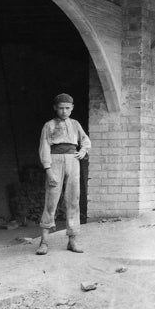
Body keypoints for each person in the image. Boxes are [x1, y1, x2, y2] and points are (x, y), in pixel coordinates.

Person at [37, 93, 91, 255]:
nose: (64, 111)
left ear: (72, 108)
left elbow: (85, 140)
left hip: (73, 161)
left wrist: (83, 150)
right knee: (51, 201)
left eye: (67, 108)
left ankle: (72, 240)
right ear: (55, 108)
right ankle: (44, 241)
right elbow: (44, 146)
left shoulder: (75, 124)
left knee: (73, 200)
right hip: (55, 161)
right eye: (61, 108)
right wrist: (48, 169)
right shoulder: (49, 125)